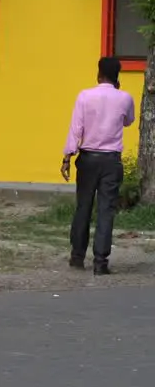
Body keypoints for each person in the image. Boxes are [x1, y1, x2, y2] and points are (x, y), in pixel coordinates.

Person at [61, 56, 134, 275]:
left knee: (83, 206)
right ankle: (101, 262)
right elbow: (128, 121)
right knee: (106, 210)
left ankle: (77, 256)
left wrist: (67, 157)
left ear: (99, 73)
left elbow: (76, 128)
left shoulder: (85, 96)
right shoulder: (124, 98)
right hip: (111, 160)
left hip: (88, 159)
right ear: (117, 76)